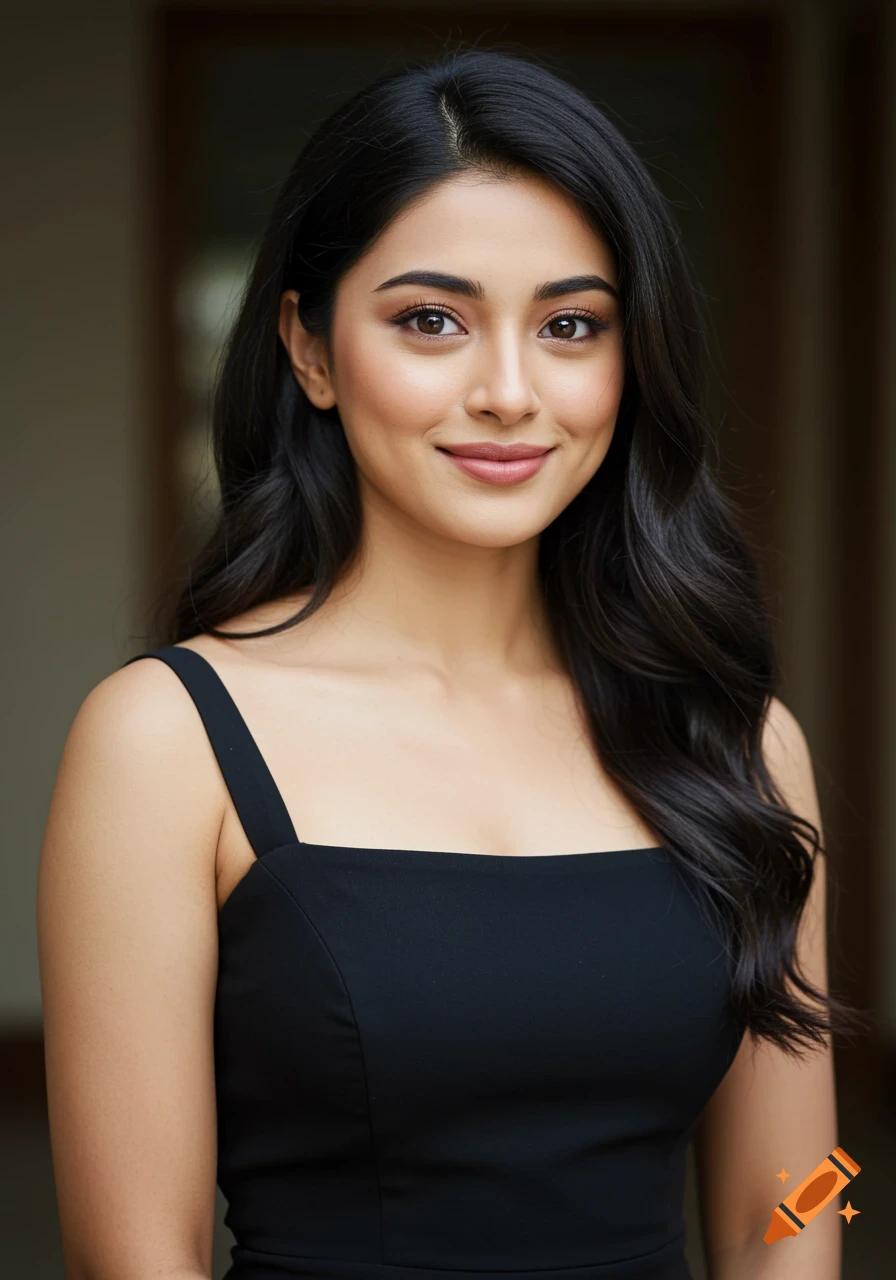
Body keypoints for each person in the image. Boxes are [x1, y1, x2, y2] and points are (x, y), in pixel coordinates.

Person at [37, 46, 864, 1280]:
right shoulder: (165, 738)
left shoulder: (737, 738)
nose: (509, 390)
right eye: (432, 320)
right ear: (309, 350)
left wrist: (808, 1237)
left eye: (571, 325)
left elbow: (799, 1193)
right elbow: (133, 1254)